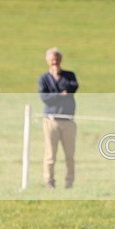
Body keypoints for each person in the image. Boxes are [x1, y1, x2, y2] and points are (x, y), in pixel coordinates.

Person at [38, 47, 79, 189]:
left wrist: (59, 79)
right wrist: (60, 95)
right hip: (51, 121)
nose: (54, 62)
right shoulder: (44, 78)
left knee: (70, 155)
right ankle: (49, 181)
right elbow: (45, 98)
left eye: (56, 59)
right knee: (50, 154)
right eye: (52, 59)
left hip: (68, 120)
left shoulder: (69, 75)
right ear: (48, 61)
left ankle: (69, 183)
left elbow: (72, 88)